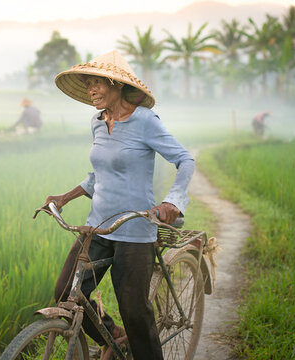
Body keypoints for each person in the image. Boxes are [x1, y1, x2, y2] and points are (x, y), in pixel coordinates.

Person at [44, 50, 194, 359]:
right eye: (88, 84)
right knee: (65, 293)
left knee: (135, 312)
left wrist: (172, 201)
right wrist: (65, 197)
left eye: (98, 83)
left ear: (116, 84)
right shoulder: (97, 122)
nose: (92, 90)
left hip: (134, 231)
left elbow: (185, 159)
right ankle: (113, 336)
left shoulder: (145, 121)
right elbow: (99, 175)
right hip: (98, 226)